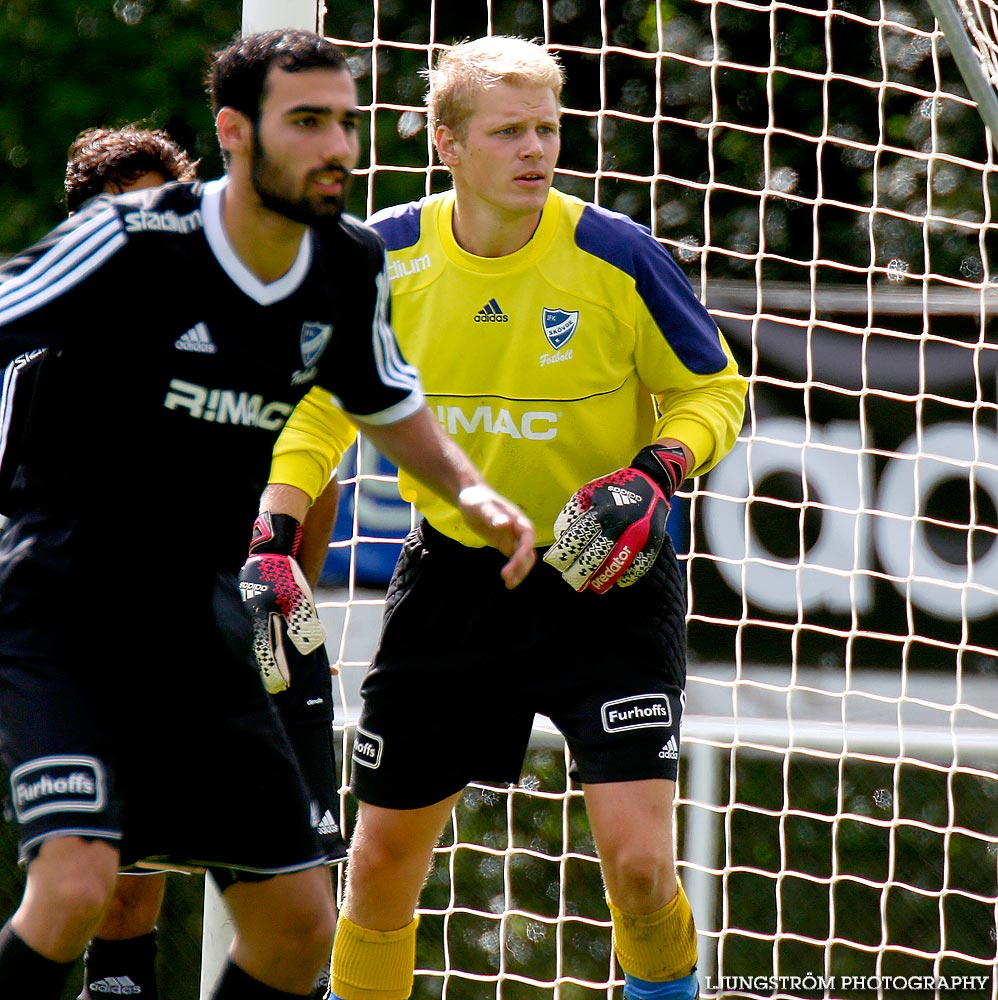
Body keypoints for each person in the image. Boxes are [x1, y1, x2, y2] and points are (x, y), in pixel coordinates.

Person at [0, 28, 534, 1000]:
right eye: (306, 121)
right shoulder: (132, 238)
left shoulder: (346, 265)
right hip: (67, 607)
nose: (335, 144)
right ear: (235, 132)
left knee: (296, 930)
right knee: (78, 886)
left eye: (344, 120)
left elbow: (385, 399)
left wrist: (474, 493)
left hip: (201, 627)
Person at [275, 34, 747, 1000]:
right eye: (507, 132)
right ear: (445, 142)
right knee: (377, 869)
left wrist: (658, 471)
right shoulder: (382, 255)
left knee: (643, 868)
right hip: (454, 578)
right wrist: (273, 533)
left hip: (606, 581)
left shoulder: (614, 254)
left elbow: (713, 390)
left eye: (547, 129)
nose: (535, 150)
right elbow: (318, 405)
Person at [55, 122, 356, 1000]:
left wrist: (288, 572)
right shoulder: (46, 343)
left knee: (300, 915)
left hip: (254, 641)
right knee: (114, 900)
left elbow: (314, 453)